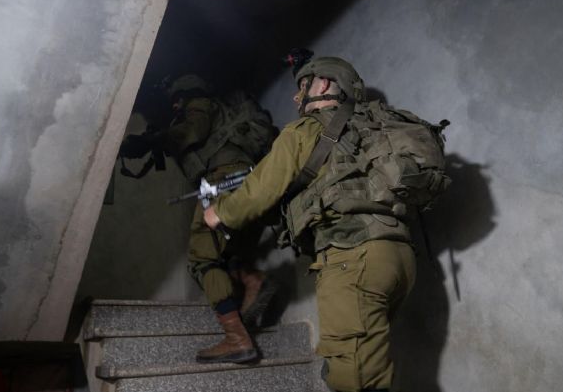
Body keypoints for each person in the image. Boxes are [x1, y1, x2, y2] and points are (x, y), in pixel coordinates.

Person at [204, 57, 449, 391]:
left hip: (352, 258)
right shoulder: (372, 128)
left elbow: (258, 191)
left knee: (353, 379)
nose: (296, 97)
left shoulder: (306, 130)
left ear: (321, 84)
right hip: (400, 258)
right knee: (366, 366)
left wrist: (219, 212)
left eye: (302, 86)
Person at [120, 74, 278, 364]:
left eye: (177, 99)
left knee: (201, 259)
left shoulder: (200, 104)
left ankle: (236, 338)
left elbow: (193, 131)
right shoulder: (223, 112)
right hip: (244, 181)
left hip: (222, 181)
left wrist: (151, 140)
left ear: (187, 94)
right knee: (224, 252)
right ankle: (252, 279)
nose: (175, 105)